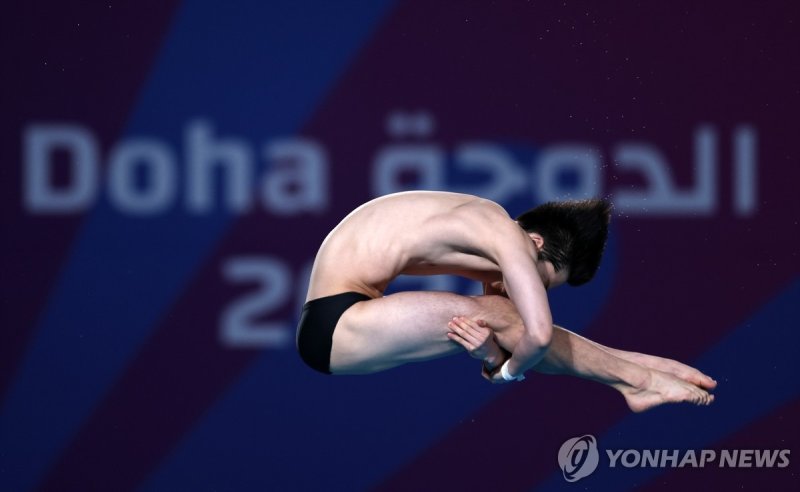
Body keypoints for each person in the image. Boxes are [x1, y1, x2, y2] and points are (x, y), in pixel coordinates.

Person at [297, 191, 715, 412]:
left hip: (342, 323)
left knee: (503, 314)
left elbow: (508, 335)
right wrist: (507, 374)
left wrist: (495, 358)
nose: (527, 288)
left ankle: (639, 368)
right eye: (541, 279)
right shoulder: (506, 235)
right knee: (507, 315)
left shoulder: (485, 230)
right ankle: (637, 382)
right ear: (536, 242)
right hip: (336, 325)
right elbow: (538, 334)